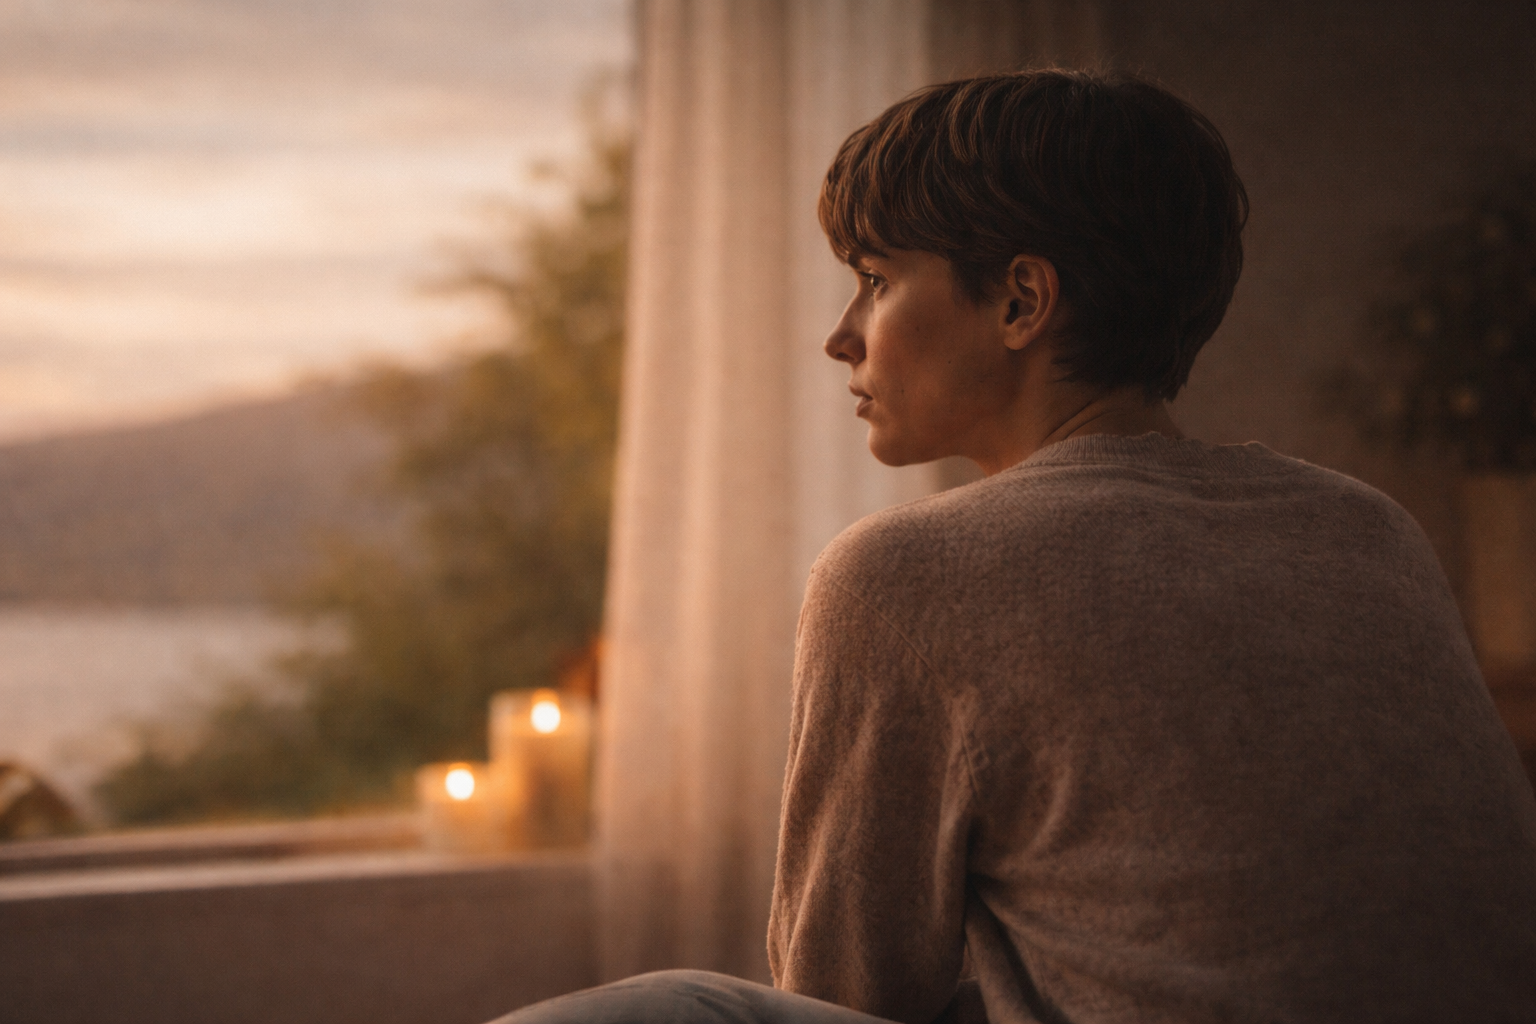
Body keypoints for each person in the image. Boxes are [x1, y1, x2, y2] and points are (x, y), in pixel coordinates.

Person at [491, 69, 1536, 1024]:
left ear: (1022, 301)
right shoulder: (1368, 524)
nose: (842, 334)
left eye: (877, 279)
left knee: (669, 1007)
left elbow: (849, 994)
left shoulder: (907, 575)